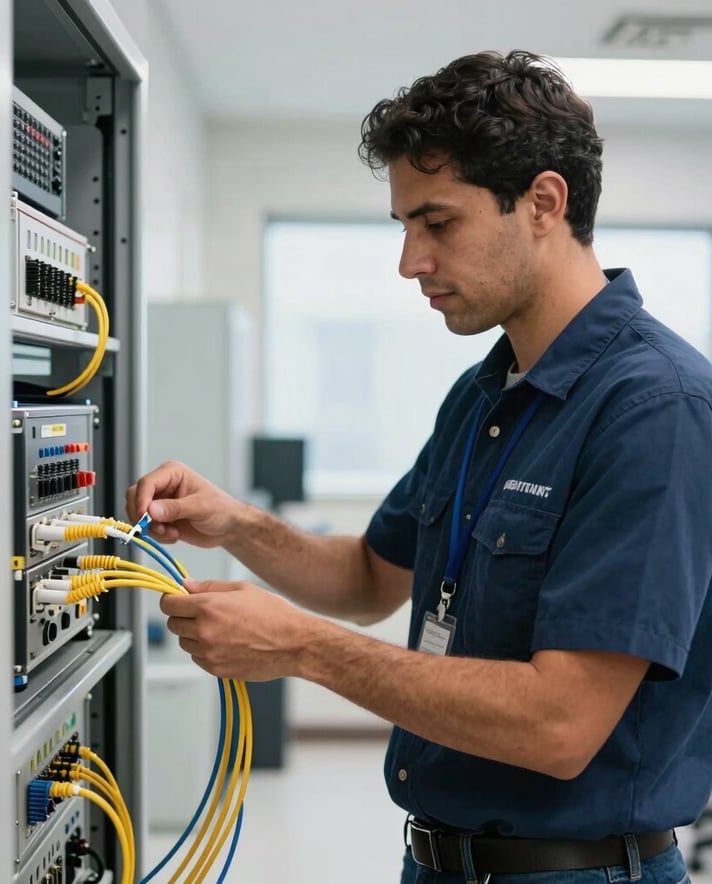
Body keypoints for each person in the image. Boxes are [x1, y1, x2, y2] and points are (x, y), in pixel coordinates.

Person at [126, 49, 712, 884]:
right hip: (439, 861)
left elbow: (561, 723)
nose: (411, 263)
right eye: (404, 228)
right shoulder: (485, 396)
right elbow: (371, 575)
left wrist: (301, 649)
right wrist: (236, 524)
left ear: (545, 202)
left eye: (438, 225)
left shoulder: (658, 411)